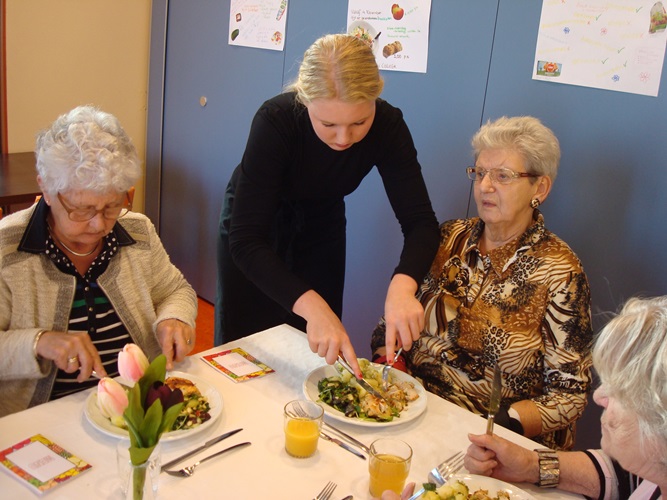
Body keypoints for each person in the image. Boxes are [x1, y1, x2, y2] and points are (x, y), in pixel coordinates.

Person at [216, 33, 439, 374]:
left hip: (321, 222)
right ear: (305, 104)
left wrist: (403, 286)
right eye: (328, 124)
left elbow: (421, 222)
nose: (343, 138)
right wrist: (313, 307)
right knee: (248, 352)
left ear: (375, 99)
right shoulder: (276, 120)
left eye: (358, 123)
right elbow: (246, 241)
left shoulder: (389, 125)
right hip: (256, 228)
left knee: (316, 352)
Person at [371, 116, 593, 450]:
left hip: (490, 437)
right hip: (410, 409)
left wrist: (500, 427)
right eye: (479, 173)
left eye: (502, 176)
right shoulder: (448, 238)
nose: (484, 186)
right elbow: (390, 325)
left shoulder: (559, 271)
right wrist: (388, 376)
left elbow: (570, 395)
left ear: (540, 188)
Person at [0, 105, 198, 417]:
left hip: (137, 407)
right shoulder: (7, 250)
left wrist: (175, 318)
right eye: (82, 209)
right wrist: (39, 342)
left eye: (112, 205)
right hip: (43, 418)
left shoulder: (137, 231)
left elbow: (175, 290)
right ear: (46, 190)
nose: (100, 225)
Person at [464, 296, 667, 499]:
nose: (598, 396)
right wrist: (530, 466)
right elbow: (625, 477)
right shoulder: (654, 470)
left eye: (621, 392)